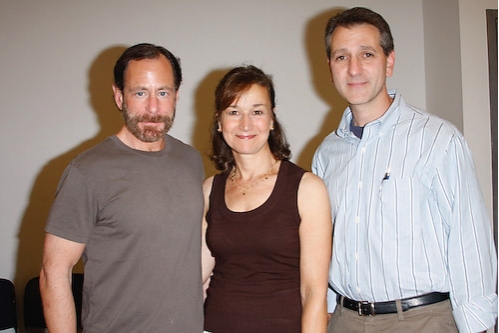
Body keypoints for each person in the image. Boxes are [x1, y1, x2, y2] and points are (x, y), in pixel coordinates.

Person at [312, 7, 498, 333]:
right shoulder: (327, 154)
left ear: (389, 61)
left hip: (422, 320)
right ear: (330, 68)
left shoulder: (438, 139)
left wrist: (478, 325)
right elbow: (324, 244)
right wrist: (326, 311)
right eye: (341, 57)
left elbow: (470, 241)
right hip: (344, 320)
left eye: (366, 54)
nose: (354, 68)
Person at [39, 43, 205, 332]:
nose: (153, 108)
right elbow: (53, 273)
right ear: (119, 96)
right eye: (140, 92)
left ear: (177, 95)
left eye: (163, 92)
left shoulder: (191, 160)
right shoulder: (87, 171)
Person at [201, 65, 332, 333]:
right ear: (219, 121)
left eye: (257, 112)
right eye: (234, 112)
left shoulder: (307, 188)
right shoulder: (209, 190)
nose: (245, 124)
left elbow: (314, 294)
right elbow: (194, 277)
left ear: (272, 120)